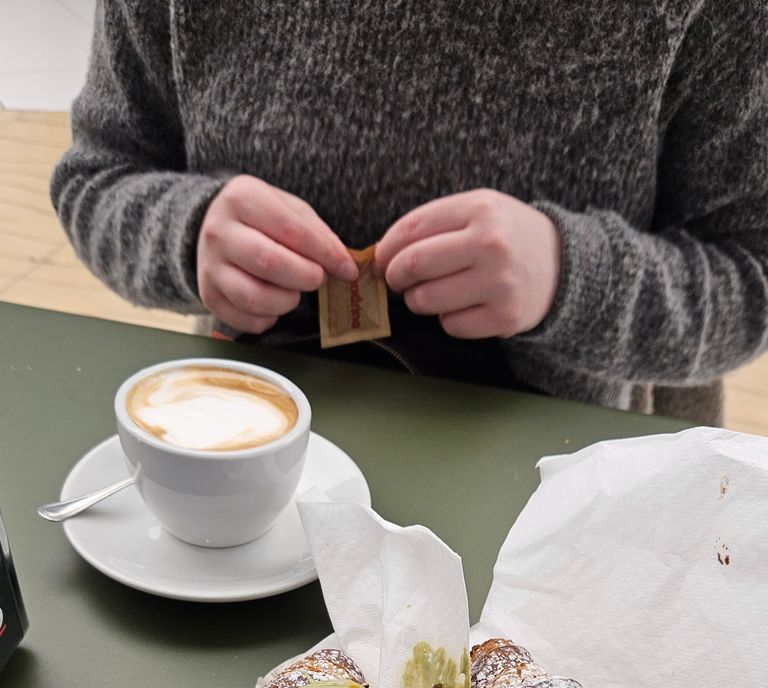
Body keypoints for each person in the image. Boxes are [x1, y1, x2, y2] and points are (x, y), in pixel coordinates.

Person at [51, 1, 768, 421]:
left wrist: (569, 275)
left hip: (554, 501)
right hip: (252, 466)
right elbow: (99, 175)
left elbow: (747, 277)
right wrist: (186, 232)